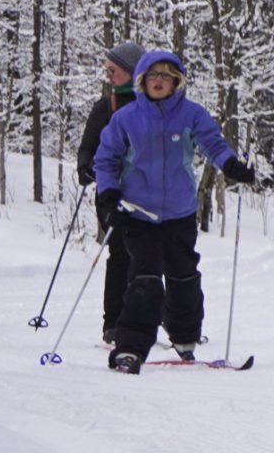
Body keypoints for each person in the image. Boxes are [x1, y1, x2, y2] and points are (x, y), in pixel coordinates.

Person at [91, 50, 261, 373]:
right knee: (145, 279)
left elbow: (213, 143)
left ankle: (185, 339)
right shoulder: (126, 119)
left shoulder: (190, 114)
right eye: (153, 76)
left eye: (166, 76)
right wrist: (108, 198)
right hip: (139, 213)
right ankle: (130, 348)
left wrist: (232, 166)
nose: (159, 81)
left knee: (184, 277)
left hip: (180, 213)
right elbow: (106, 159)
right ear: (142, 81)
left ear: (176, 81)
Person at [75, 40, 146, 347]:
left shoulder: (152, 107)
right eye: (107, 70)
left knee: (150, 255)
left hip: (147, 193)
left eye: (113, 70)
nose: (108, 76)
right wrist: (85, 167)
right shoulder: (105, 107)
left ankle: (149, 319)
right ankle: (114, 324)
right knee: (120, 253)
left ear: (132, 73)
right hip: (112, 193)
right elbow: (88, 146)